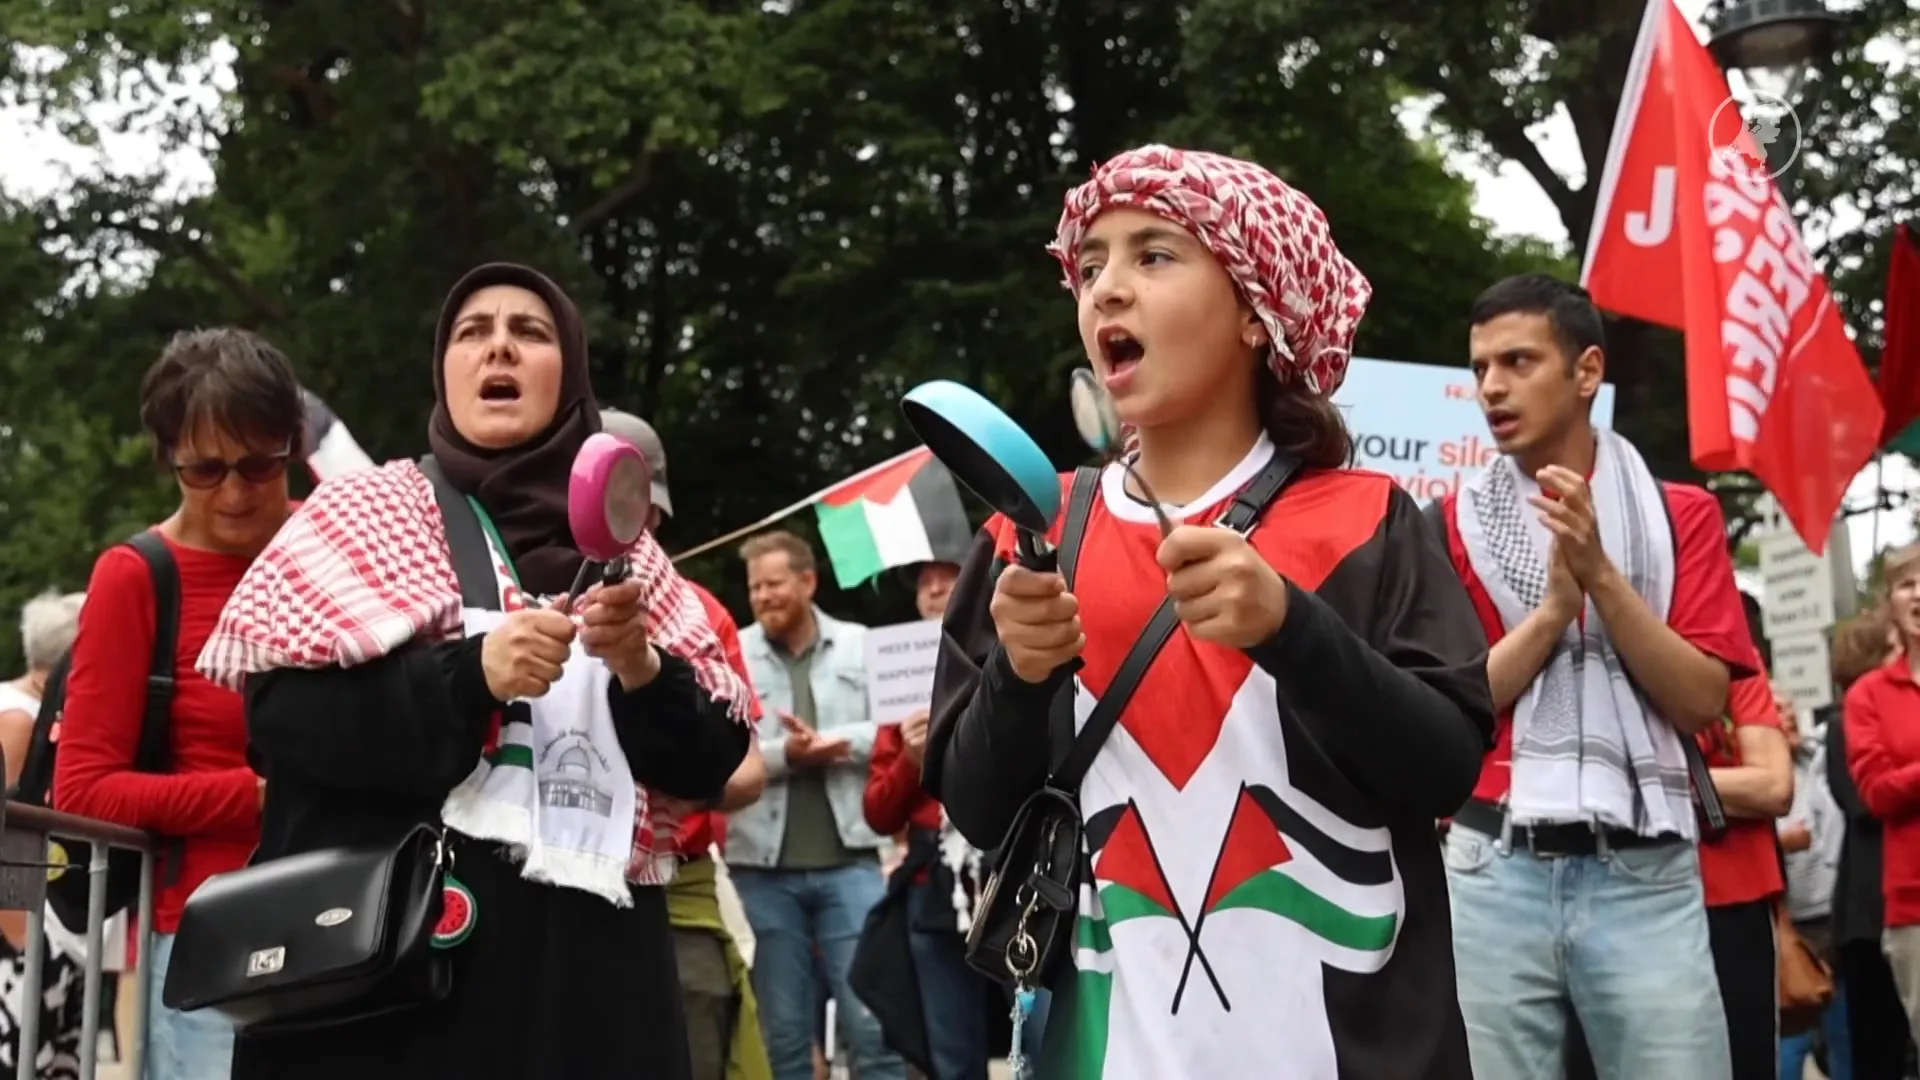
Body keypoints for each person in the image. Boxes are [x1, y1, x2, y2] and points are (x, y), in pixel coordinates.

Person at [926, 145, 1493, 1078]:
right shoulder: (1033, 532)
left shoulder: (1365, 519)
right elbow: (980, 810)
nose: (1107, 288)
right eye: (1093, 262)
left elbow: (1444, 771)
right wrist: (1018, 678)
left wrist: (1292, 629)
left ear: (1254, 315)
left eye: (1153, 255)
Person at [196, 262, 753, 1079]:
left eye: (530, 333)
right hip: (397, 987)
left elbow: (710, 761)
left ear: (569, 373)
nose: (500, 349)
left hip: (589, 987)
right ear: (445, 372)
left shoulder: (635, 561)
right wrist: (469, 675)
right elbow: (284, 725)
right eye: (473, 333)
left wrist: (641, 665)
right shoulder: (364, 512)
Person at [1429, 273, 1758, 1079]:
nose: (1492, 388)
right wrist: (1550, 612)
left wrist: (1602, 578)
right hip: (1490, 857)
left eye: (1518, 361)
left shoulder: (1683, 515)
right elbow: (1454, 706)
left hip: (1642, 865)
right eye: (1479, 369)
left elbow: (1702, 701)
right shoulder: (1445, 522)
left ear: (1586, 373)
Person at [56, 328, 308, 1080]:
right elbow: (83, 790)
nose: (234, 492)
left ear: (291, 446)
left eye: (259, 465)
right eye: (204, 469)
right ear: (167, 457)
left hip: (357, 915)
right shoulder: (136, 577)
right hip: (213, 939)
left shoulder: (333, 546)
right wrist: (257, 798)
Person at [600, 407, 773, 1080]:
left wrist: (676, 764)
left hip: (679, 893)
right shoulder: (510, 593)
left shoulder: (699, 614)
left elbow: (748, 772)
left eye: (634, 504)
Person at [728, 530, 903, 1080]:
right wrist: (789, 754)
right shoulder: (733, 650)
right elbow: (724, 749)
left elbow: (900, 733)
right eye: (755, 587)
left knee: (874, 1025)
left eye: (774, 583)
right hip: (760, 870)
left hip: (852, 861)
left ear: (808, 582)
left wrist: (837, 744)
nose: (762, 596)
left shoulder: (860, 644)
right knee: (781, 1034)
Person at [0, 590, 89, 1079]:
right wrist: (27, 942)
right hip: (18, 936)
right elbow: (8, 834)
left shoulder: (9, 702)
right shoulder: (19, 720)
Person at [1826, 606, 1911, 1080]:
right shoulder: (1845, 724)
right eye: (1896, 648)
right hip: (1870, 909)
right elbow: (1865, 802)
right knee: (1878, 1052)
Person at [1697, 673, 1792, 1078]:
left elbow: (1773, 786)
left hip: (1733, 893)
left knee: (1746, 1060)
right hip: (1618, 895)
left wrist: (1647, 779)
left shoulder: (1730, 655)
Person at [1846, 543, 1920, 1051]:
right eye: (1908, 584)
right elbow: (1876, 794)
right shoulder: (1868, 695)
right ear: (1891, 603)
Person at [1780, 685, 1852, 1080]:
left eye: (1790, 708)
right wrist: (1783, 842)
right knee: (1792, 1042)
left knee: (1846, 1038)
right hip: (1790, 927)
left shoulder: (1819, 761)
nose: (1787, 715)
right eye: (1776, 709)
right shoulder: (1761, 773)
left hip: (1835, 916)